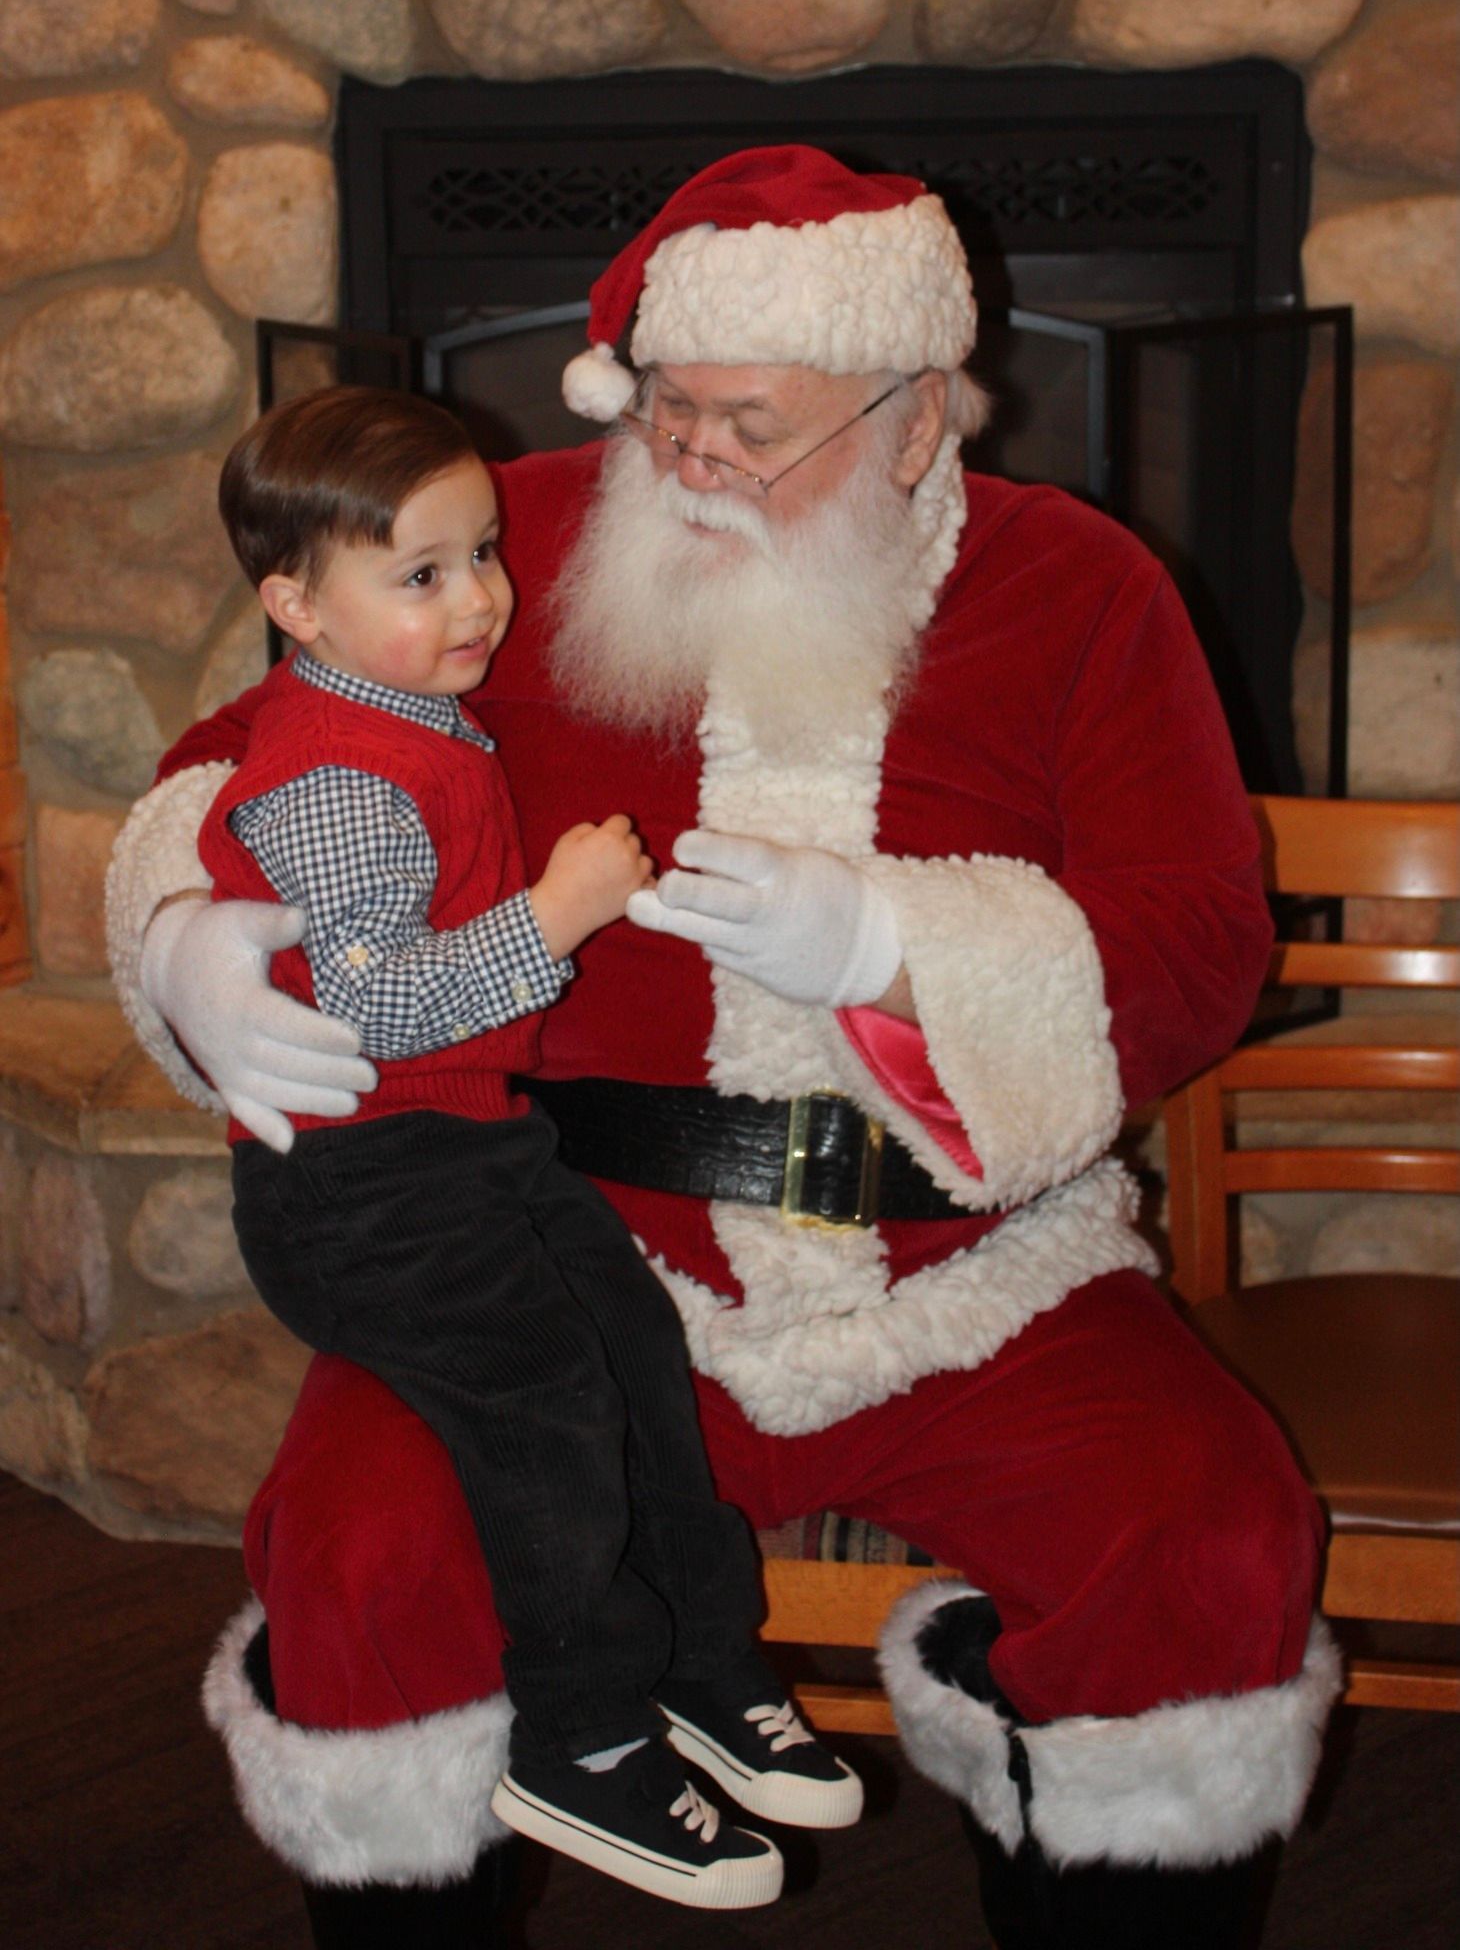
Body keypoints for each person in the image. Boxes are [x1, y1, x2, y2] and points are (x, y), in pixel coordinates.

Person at [107, 146, 1336, 1950]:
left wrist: (900, 947)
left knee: (1208, 1539)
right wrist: (189, 936)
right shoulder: (497, 537)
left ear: (919, 418)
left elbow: (1204, 942)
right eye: (664, 408)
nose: (689, 462)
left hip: (969, 1269)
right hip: (558, 1253)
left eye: (752, 424)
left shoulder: (1078, 587)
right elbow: (233, 758)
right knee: (363, 1565)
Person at [191, 383, 860, 1913]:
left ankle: (701, 1657)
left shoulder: (404, 714)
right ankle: (580, 1737)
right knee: (548, 1409)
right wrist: (556, 912)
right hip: (361, 1192)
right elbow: (381, 1009)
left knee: (631, 1340)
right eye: (422, 576)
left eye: (483, 553)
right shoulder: (340, 777)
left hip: (467, 1154)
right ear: (293, 604)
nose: (481, 597)